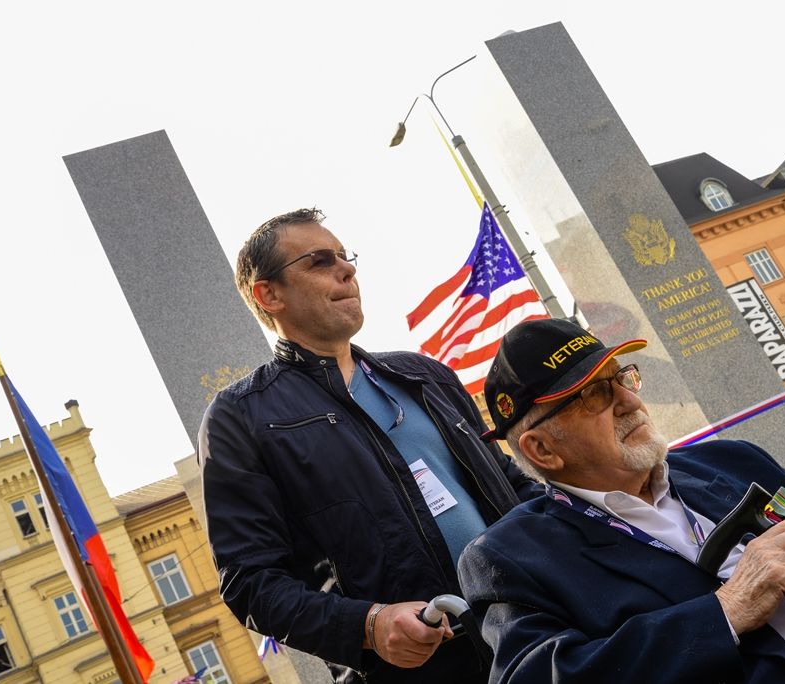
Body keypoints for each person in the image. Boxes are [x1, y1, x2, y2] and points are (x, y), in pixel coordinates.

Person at [457, 318, 785, 683]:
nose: (629, 400)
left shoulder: (728, 460)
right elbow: (546, 675)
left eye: (622, 377)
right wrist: (726, 610)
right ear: (542, 449)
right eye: (595, 395)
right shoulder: (508, 558)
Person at [198, 208, 539, 683]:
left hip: (536, 638)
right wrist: (368, 624)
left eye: (345, 256)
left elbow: (511, 486)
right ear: (268, 293)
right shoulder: (242, 417)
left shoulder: (424, 375)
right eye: (319, 261)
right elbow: (251, 584)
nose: (347, 269)